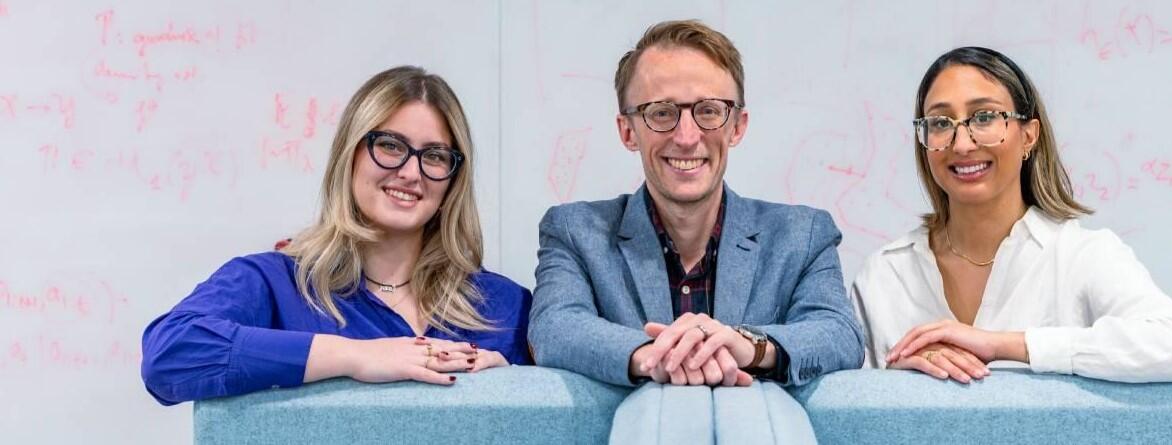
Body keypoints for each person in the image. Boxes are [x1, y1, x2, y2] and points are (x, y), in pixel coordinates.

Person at [141, 66, 531, 405]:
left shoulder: (504, 306)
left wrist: (517, 385)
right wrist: (355, 357)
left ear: (452, 180)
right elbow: (170, 355)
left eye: (434, 156)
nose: (411, 173)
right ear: (350, 155)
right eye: (391, 146)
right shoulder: (273, 284)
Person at [529, 19, 863, 390]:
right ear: (627, 131)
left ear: (737, 126)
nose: (686, 137)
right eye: (661, 112)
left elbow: (839, 335)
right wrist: (657, 356)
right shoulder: (574, 231)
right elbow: (552, 328)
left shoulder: (803, 235)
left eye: (707, 111)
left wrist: (745, 345)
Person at [853, 47, 1172, 384]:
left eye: (986, 117)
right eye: (941, 122)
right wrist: (893, 382)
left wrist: (1003, 345)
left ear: (1028, 136)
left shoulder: (1081, 255)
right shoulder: (885, 276)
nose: (961, 144)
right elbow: (846, 417)